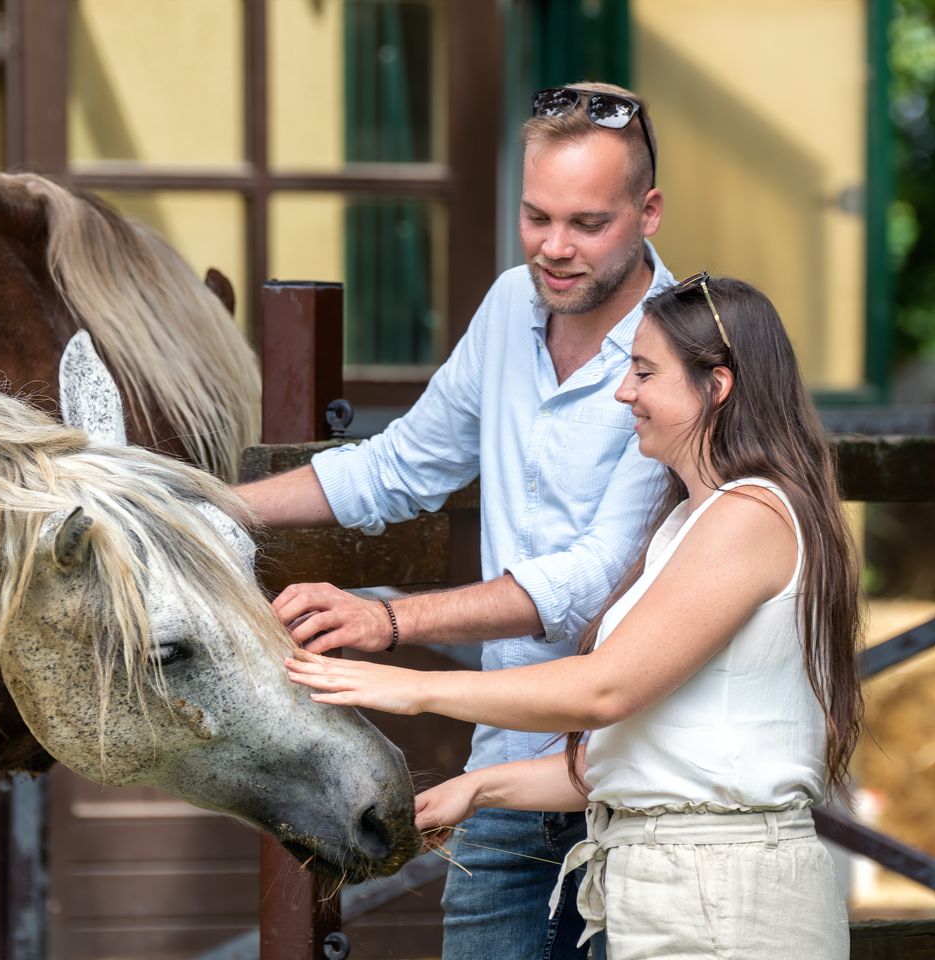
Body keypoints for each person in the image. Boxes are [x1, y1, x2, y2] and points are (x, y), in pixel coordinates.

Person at [285, 275, 864, 960]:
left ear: (718, 385)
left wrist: (411, 687)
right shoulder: (691, 520)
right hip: (681, 887)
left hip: (726, 899)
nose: (626, 393)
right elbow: (635, 758)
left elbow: (604, 689)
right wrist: (478, 789)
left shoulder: (751, 516)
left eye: (645, 373)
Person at [236, 81, 673, 959]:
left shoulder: (688, 344)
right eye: (536, 216)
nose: (555, 248)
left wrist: (391, 620)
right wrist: (203, 503)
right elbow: (399, 468)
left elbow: (595, 574)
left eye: (588, 224)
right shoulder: (512, 305)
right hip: (508, 772)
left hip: (646, 778)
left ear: (649, 212)